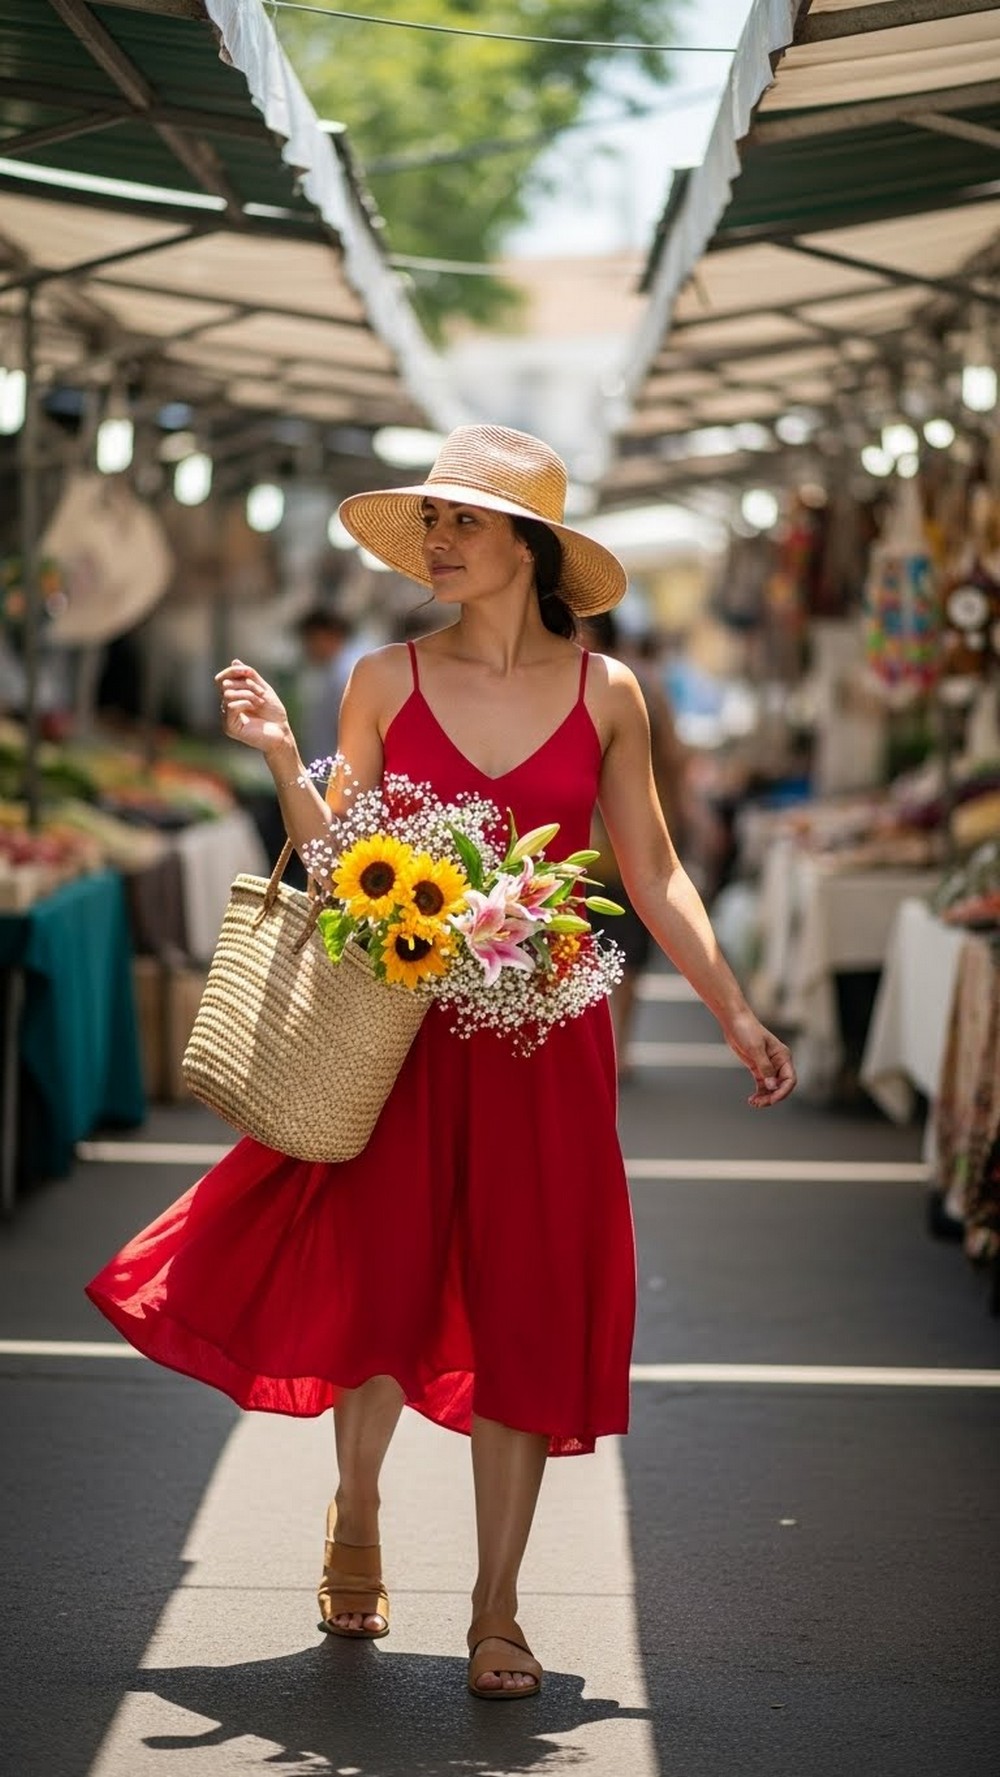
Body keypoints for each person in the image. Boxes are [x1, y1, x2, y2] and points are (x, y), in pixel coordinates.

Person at [86, 425, 796, 1701]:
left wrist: (732, 1005)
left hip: (546, 1032)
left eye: (463, 523)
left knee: (527, 1292)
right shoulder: (380, 675)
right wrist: (269, 755)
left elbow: (654, 868)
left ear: (529, 546)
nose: (438, 543)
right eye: (432, 524)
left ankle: (497, 1610)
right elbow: (335, 847)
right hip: (399, 1028)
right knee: (380, 1278)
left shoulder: (611, 693)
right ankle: (355, 1507)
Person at [582, 610, 690, 1078]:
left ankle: (608, 1049)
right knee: (623, 950)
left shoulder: (601, 683)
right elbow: (675, 756)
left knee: (605, 946)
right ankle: (616, 1049)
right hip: (625, 837)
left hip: (598, 840)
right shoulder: (643, 682)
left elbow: (669, 756)